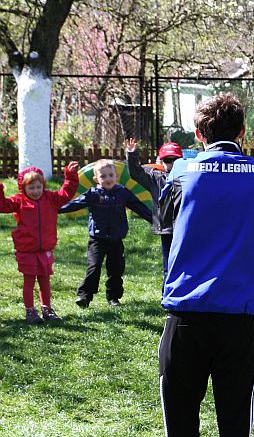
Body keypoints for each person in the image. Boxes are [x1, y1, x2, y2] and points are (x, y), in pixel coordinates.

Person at [136, 93, 254, 437]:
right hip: (239, 319)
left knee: (180, 424)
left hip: (186, 317)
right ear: (242, 133)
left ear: (199, 135)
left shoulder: (181, 172)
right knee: (235, 427)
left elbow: (165, 222)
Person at [59, 159, 153, 307]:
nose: (107, 179)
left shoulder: (123, 193)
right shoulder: (93, 194)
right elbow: (74, 204)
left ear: (116, 176)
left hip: (116, 239)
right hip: (97, 239)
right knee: (93, 267)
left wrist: (156, 221)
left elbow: (139, 208)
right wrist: (55, 209)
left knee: (116, 270)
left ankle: (113, 297)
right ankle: (84, 296)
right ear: (96, 179)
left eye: (111, 175)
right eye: (103, 176)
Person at [0, 162, 79, 322]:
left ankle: (47, 309)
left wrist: (70, 176)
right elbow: (2, 205)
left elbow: (66, 193)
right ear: (23, 188)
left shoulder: (51, 199)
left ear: (43, 185)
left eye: (38, 187)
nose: (35, 191)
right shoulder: (19, 201)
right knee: (29, 281)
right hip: (27, 250)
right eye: (31, 188)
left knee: (45, 281)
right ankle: (30, 311)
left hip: (45, 249)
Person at [125, 138, 183, 276]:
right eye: (168, 160)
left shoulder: (187, 177)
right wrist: (132, 154)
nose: (172, 164)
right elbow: (136, 173)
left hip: (185, 226)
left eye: (175, 159)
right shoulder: (155, 178)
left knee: (185, 262)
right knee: (168, 264)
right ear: (161, 161)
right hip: (167, 228)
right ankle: (167, 293)